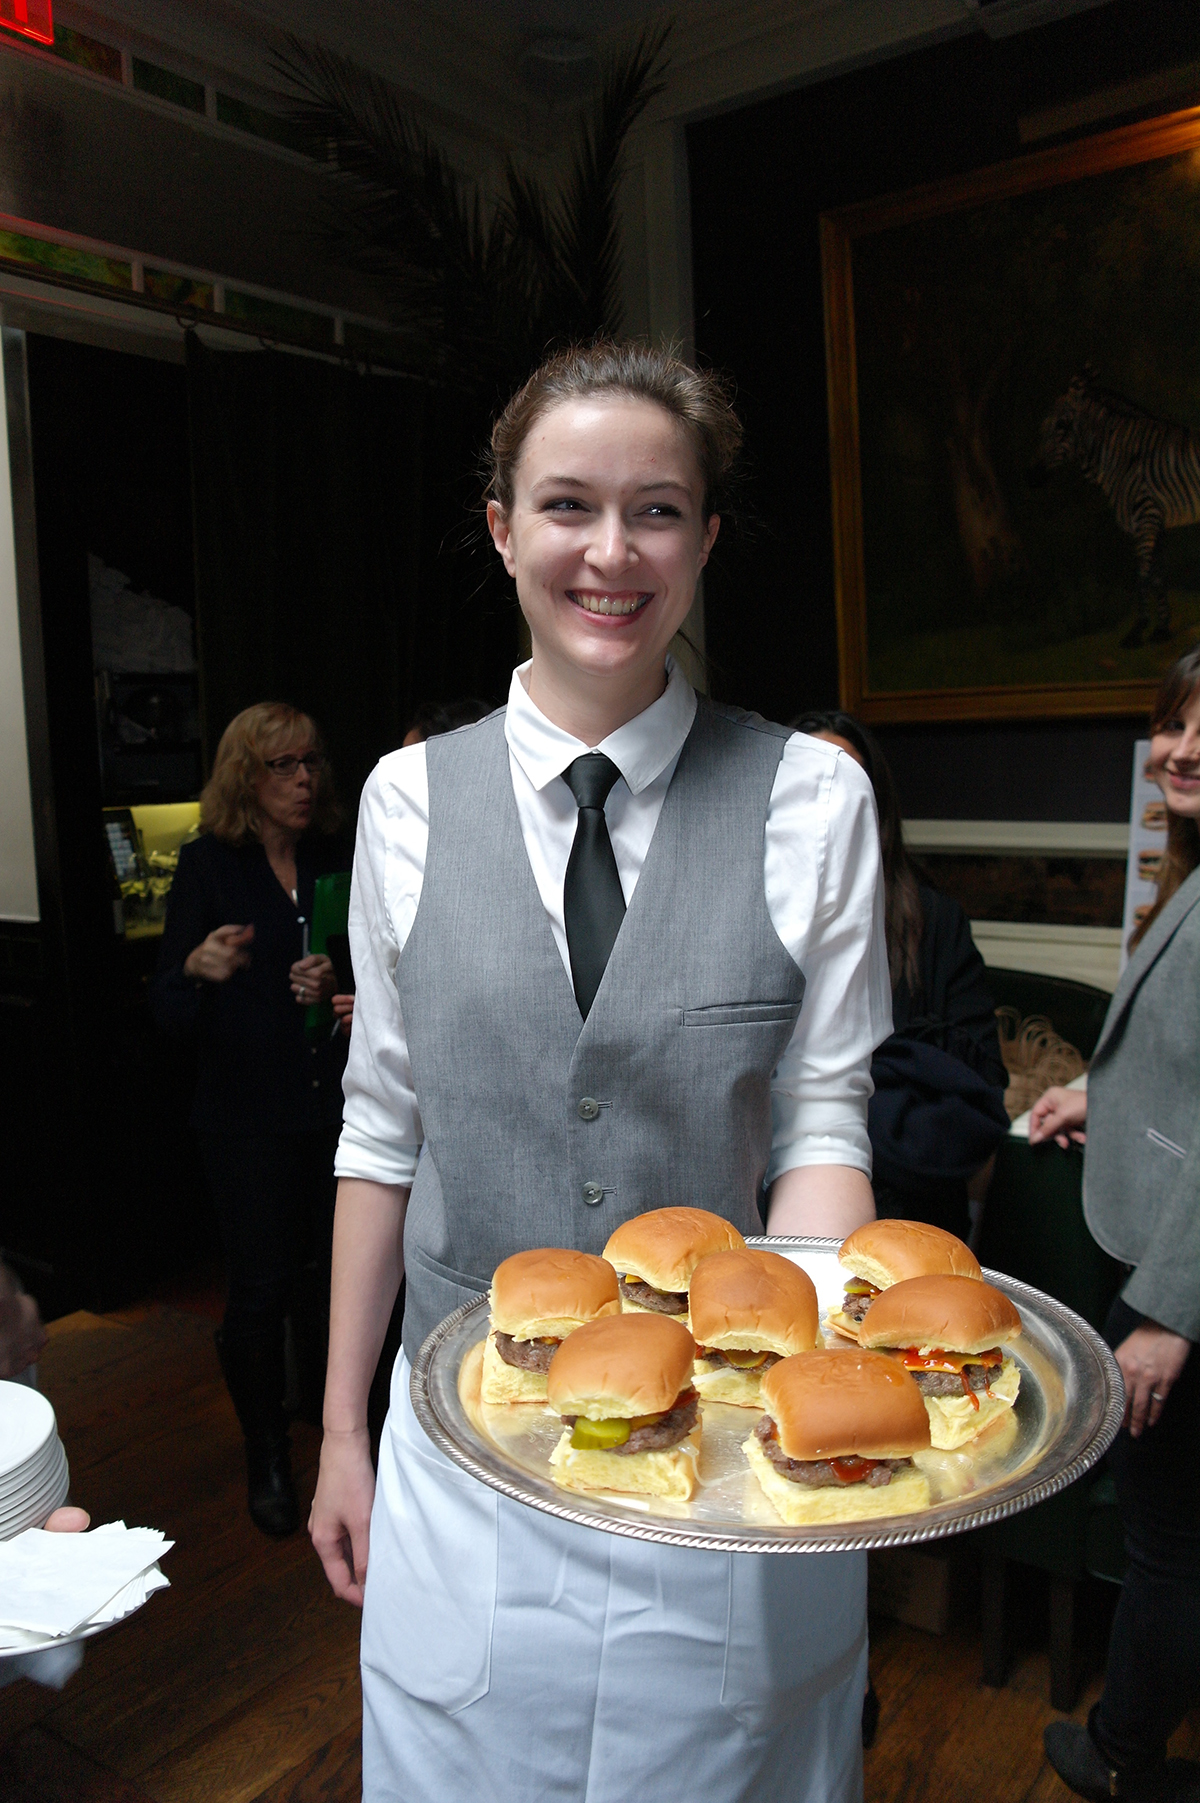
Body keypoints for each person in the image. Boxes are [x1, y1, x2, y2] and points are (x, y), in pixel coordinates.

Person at [310, 342, 892, 1803]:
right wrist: (339, 1429)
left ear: (703, 536)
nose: (612, 552)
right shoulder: (404, 800)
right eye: (568, 504)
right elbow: (382, 1129)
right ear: (503, 527)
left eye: (660, 510)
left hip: (727, 1461)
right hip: (463, 1447)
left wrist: (794, 1396)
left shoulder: (812, 796)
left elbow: (824, 1107)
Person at [1031, 646, 1200, 1803]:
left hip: (1178, 1288)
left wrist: (1167, 1318)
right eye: (1174, 726)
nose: (1183, 751)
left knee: (1172, 1547)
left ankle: (1124, 1758)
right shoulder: (1193, 870)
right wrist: (1107, 1094)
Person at [150, 703, 349, 1538]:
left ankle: (334, 1424)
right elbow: (163, 1009)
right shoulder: (207, 866)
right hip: (244, 1117)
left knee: (333, 1276)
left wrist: (347, 998)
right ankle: (265, 1452)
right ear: (245, 776)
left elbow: (379, 967)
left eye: (309, 762)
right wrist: (198, 969)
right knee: (261, 1287)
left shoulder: (333, 853)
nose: (303, 779)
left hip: (332, 1105)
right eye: (282, 765)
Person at [794, 710, 1008, 1241]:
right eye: (809, 777)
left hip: (912, 1219)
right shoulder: (737, 914)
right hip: (765, 1213)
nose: (831, 796)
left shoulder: (934, 921)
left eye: (850, 776)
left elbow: (976, 1098)